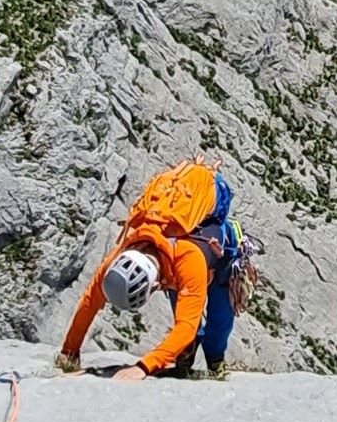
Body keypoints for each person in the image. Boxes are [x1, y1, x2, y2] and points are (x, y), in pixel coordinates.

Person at [55, 161, 246, 381]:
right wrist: (69, 351)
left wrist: (143, 368)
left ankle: (215, 364)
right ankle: (185, 360)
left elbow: (186, 325)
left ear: (155, 285)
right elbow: (91, 299)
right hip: (173, 261)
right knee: (186, 328)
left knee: (218, 324)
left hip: (219, 260)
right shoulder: (123, 254)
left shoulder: (188, 258)